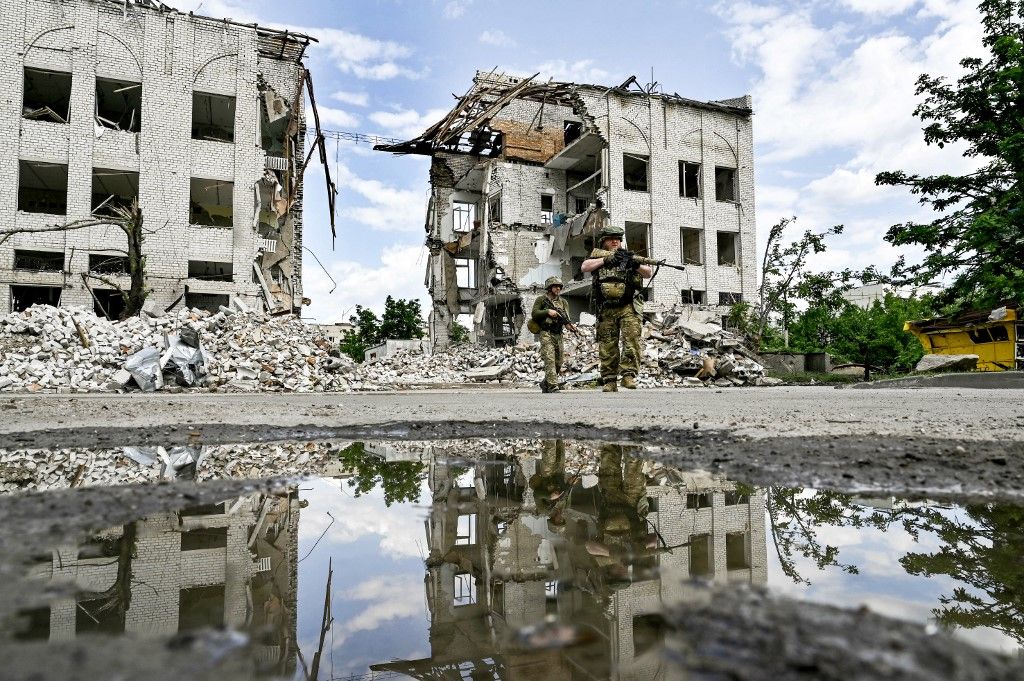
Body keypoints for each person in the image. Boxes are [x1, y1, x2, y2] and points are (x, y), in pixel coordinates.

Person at [580, 226, 655, 392]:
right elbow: (585, 267)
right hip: (606, 308)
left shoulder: (629, 255)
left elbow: (648, 272)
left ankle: (628, 376)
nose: (615, 241)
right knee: (607, 346)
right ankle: (609, 380)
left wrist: (634, 264)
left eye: (618, 238)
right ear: (603, 241)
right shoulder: (598, 256)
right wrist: (606, 260)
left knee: (631, 342)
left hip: (629, 307)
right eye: (611, 238)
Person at [531, 276, 574, 393]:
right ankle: (553, 386)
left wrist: (569, 326)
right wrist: (547, 311)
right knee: (549, 359)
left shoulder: (563, 302)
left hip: (558, 333)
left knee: (559, 361)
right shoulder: (541, 300)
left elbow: (566, 319)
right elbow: (534, 314)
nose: (558, 289)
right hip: (546, 333)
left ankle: (546, 383)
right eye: (555, 286)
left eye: (559, 287)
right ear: (549, 288)